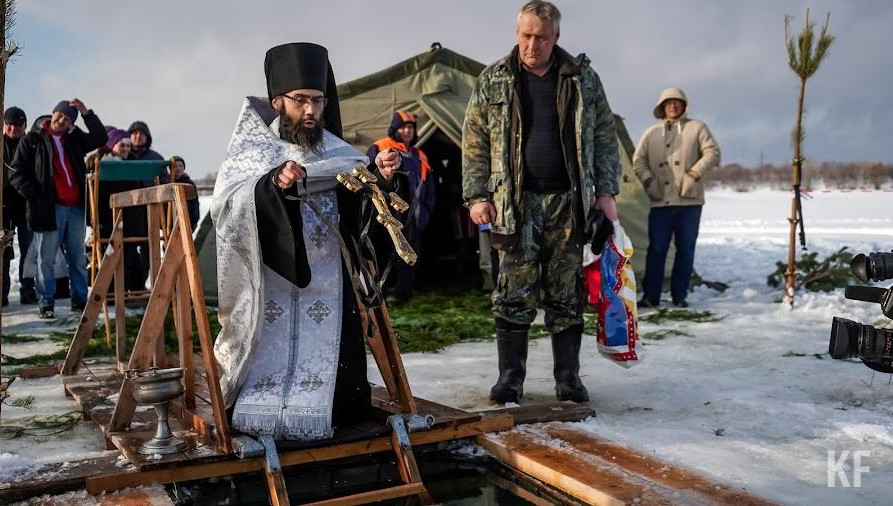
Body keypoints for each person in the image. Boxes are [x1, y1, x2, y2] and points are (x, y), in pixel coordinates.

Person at [212, 42, 402, 440]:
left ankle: (333, 408)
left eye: (318, 100)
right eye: (300, 100)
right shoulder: (252, 154)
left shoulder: (339, 154)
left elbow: (359, 215)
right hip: (271, 281)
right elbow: (227, 206)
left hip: (328, 280)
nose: (311, 110)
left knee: (339, 395)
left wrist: (382, 181)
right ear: (278, 102)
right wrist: (271, 186)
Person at [462, 1, 622, 404]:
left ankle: (568, 380)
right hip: (513, 205)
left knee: (566, 295)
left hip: (568, 204)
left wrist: (605, 193)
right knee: (512, 293)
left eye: (542, 38)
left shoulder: (582, 79)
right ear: (517, 34)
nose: (533, 45)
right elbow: (475, 141)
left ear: (556, 37)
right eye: (526, 36)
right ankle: (510, 380)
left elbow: (605, 136)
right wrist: (477, 196)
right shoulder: (494, 79)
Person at [10, 99, 107, 318]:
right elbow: (15, 173)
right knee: (46, 258)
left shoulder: (74, 138)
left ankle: (80, 301)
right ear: (53, 113)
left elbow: (100, 138)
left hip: (76, 208)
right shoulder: (33, 139)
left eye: (68, 119)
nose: (62, 120)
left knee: (77, 257)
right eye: (60, 115)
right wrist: (36, 195)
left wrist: (85, 113)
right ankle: (46, 303)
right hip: (47, 208)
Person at [633, 88, 720, 308]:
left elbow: (712, 152)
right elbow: (638, 160)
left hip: (689, 201)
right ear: (662, 106)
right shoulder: (651, 133)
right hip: (660, 201)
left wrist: (694, 173)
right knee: (656, 249)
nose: (672, 105)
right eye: (668, 102)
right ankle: (651, 296)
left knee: (686, 249)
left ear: (684, 105)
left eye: (677, 102)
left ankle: (679, 296)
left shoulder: (697, 128)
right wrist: (649, 181)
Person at [365, 110, 435, 304]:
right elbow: (369, 178)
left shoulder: (419, 155)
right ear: (394, 129)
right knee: (383, 255)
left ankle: (404, 296)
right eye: (403, 127)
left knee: (410, 256)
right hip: (387, 216)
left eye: (410, 127)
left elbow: (429, 187)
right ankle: (380, 295)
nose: (407, 131)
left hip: (414, 216)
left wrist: (425, 213)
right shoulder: (381, 147)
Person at [3, 106, 38, 305]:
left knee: (29, 251)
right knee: (3, 252)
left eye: (18, 125)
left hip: (26, 206)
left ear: (25, 125)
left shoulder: (33, 144)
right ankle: (2, 293)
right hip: (4, 208)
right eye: (9, 124)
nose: (13, 128)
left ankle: (28, 290)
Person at [168, 155, 199, 230]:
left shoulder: (189, 183)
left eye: (180, 166)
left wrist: (194, 219)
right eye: (175, 166)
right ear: (171, 168)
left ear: (183, 168)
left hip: (186, 218)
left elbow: (195, 202)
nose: (178, 168)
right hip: (169, 221)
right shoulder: (167, 183)